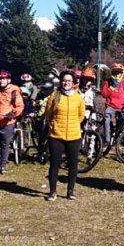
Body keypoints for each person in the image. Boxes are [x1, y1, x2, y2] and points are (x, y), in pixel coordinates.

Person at [43, 70, 86, 201]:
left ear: (73, 83)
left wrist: (74, 125)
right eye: (64, 80)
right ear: (61, 82)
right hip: (56, 136)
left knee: (73, 164)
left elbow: (81, 115)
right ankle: (52, 192)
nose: (66, 83)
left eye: (69, 81)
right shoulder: (54, 96)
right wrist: (54, 125)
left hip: (74, 136)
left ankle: (70, 191)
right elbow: (48, 114)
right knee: (54, 164)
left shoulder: (78, 97)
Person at [0, 70, 24, 174]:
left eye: (4, 79)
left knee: (4, 144)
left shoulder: (14, 91)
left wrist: (12, 114)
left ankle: (2, 165)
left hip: (7, 122)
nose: (1, 81)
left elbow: (20, 106)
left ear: (8, 80)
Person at [100, 62, 124, 148]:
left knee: (123, 125)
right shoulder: (108, 82)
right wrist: (112, 87)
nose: (117, 74)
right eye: (115, 72)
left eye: (119, 72)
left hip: (122, 107)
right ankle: (107, 140)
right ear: (112, 73)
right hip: (111, 106)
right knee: (106, 117)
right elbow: (104, 94)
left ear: (122, 73)